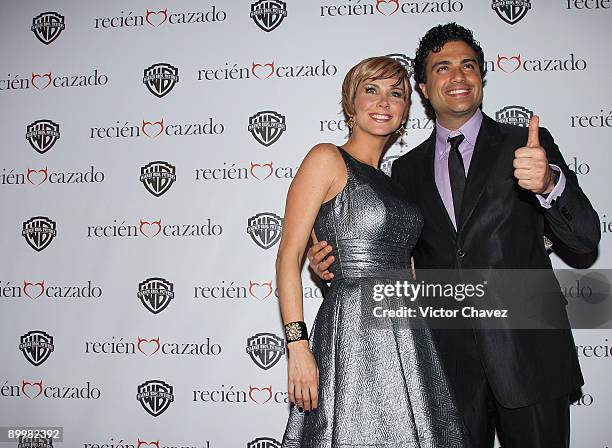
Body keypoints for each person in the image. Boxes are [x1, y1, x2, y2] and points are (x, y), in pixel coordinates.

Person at [308, 24, 600, 448]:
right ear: (424, 89)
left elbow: (585, 239)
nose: (457, 76)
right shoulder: (404, 171)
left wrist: (549, 185)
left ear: (482, 77)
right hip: (444, 367)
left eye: (468, 65)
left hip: (530, 357)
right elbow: (392, 256)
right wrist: (333, 259)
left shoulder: (525, 145)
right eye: (441, 68)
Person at [276, 56, 468, 447]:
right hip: (354, 329)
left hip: (408, 332)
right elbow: (288, 256)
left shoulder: (398, 182)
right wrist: (297, 347)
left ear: (404, 115)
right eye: (371, 90)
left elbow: (410, 266)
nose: (383, 102)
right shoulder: (326, 158)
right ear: (351, 104)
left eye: (395, 94)